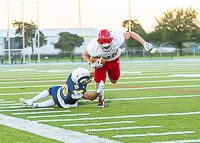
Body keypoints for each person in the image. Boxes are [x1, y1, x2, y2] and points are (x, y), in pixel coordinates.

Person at [82, 29, 153, 108]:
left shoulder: (117, 38)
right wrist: (91, 64)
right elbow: (84, 55)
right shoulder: (93, 47)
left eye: (108, 45)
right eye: (104, 46)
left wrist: (144, 43)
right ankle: (101, 99)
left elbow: (131, 34)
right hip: (101, 63)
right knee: (100, 83)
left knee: (114, 80)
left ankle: (103, 79)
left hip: (114, 61)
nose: (106, 48)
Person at [19, 67, 105, 108]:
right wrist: (98, 91)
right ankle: (36, 105)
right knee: (55, 100)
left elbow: (89, 74)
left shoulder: (72, 76)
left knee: (50, 90)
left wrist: (100, 71)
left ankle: (32, 100)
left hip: (61, 91)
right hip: (66, 102)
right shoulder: (77, 90)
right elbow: (90, 97)